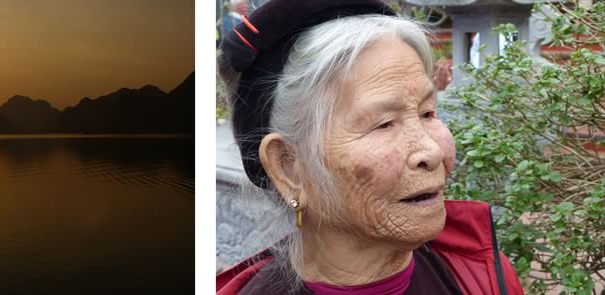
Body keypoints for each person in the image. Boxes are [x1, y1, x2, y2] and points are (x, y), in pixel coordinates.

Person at [216, 1, 524, 294]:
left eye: (428, 113)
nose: (431, 151)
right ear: (288, 167)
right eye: (384, 124)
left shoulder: (482, 277)